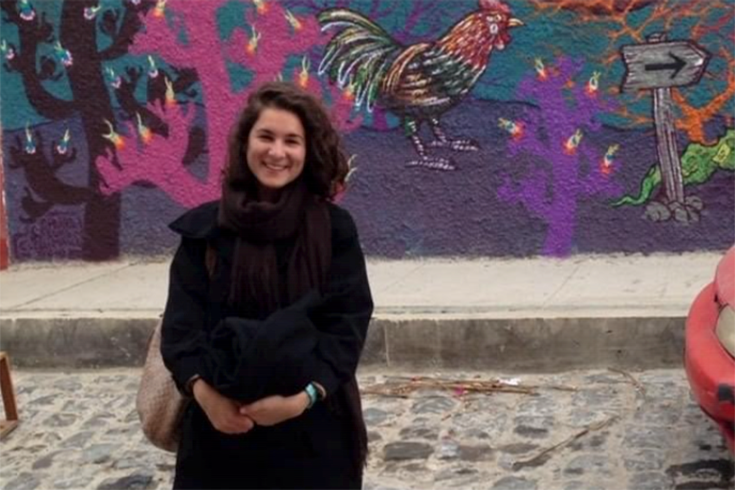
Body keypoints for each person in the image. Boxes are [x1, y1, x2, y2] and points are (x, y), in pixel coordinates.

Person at [160, 81, 374, 490]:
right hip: (220, 438)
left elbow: (348, 323)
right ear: (245, 143)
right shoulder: (204, 231)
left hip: (314, 433)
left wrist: (300, 400)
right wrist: (207, 398)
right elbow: (181, 328)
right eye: (266, 137)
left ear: (307, 151)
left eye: (292, 140)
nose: (277, 152)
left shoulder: (334, 230)